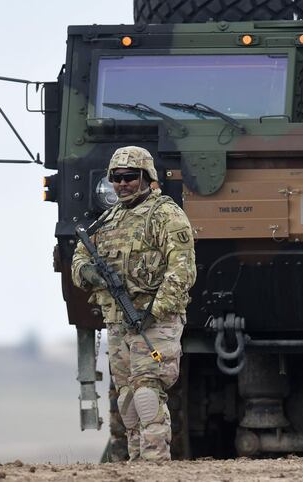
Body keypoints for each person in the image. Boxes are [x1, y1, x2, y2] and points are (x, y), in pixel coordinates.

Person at [72, 146, 196, 461]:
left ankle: (155, 463)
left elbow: (182, 270)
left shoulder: (165, 214)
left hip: (154, 322)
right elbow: (80, 259)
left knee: (147, 393)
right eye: (116, 177)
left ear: (147, 177)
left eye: (130, 176)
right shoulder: (109, 219)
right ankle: (137, 462)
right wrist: (90, 273)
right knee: (127, 399)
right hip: (117, 322)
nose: (122, 183)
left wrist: (152, 312)